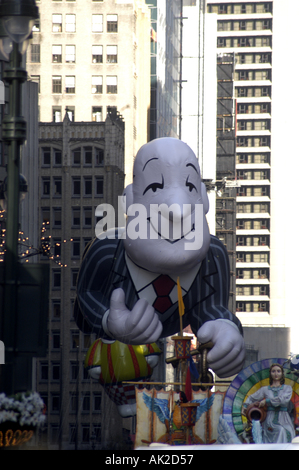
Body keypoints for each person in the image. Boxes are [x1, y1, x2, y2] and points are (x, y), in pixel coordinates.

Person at [75, 137, 245, 378]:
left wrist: (225, 329)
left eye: (190, 187)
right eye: (154, 187)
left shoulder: (212, 256)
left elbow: (210, 308)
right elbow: (86, 295)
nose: (178, 210)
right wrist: (108, 320)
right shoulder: (106, 251)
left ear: (204, 200)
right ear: (131, 201)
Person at [243, 363, 295, 443]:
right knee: (280, 430)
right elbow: (251, 397)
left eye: (278, 371)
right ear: (270, 374)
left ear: (282, 373)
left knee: (287, 431)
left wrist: (267, 401)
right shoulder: (265, 389)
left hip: (284, 418)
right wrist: (245, 406)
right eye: (273, 371)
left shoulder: (287, 388)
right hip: (270, 418)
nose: (276, 373)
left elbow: (283, 400)